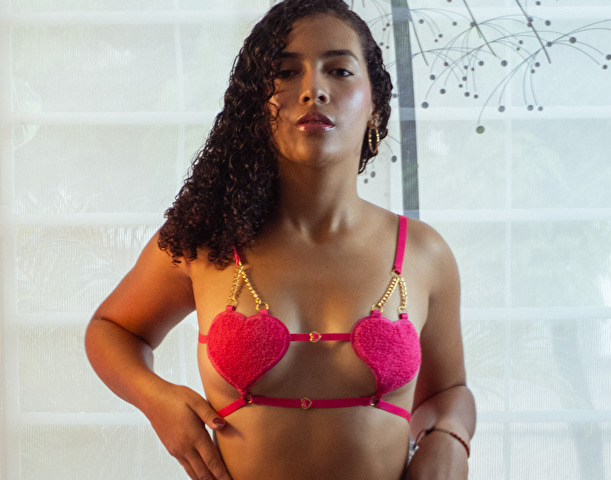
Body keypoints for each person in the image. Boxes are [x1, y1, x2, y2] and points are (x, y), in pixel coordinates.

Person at [85, 0, 476, 478]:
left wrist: (450, 437)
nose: (313, 90)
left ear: (375, 105)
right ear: (257, 105)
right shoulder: (206, 239)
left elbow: (449, 393)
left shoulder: (423, 252)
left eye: (339, 70)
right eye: (286, 73)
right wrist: (157, 400)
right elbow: (110, 329)